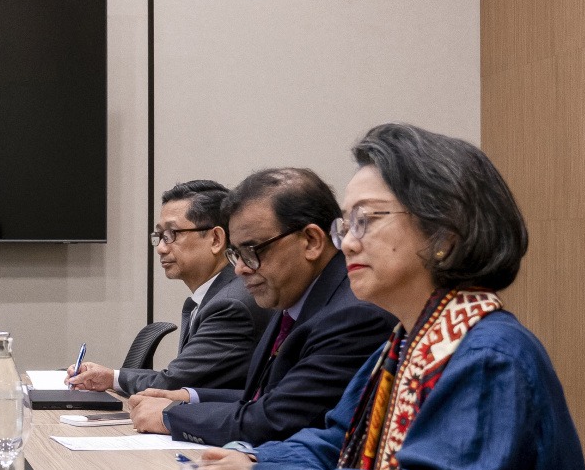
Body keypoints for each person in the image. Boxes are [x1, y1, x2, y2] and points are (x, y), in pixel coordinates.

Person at [197, 124, 585, 470]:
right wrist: (243, 459)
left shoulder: (492, 354)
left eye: (366, 221)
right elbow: (332, 441)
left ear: (444, 233)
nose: (348, 244)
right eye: (345, 225)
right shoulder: (403, 342)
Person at [130, 168, 395, 446]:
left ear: (312, 241)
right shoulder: (295, 298)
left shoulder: (353, 315)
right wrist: (189, 396)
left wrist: (172, 416)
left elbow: (277, 419)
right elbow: (266, 398)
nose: (241, 269)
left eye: (252, 251)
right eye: (237, 253)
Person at [66, 180, 269, 395]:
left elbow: (174, 383)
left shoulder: (231, 305)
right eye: (160, 236)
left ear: (216, 239)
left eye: (172, 234)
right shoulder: (215, 295)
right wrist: (109, 377)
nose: (161, 248)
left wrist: (112, 378)